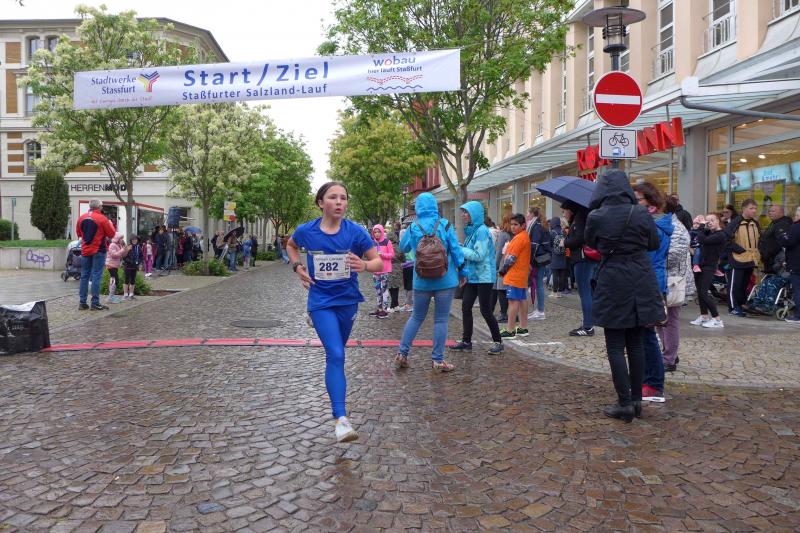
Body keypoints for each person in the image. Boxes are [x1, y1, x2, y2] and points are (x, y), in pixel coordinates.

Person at [287, 181, 382, 443]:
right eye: (333, 197)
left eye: (343, 198)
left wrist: (364, 265)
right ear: (321, 203)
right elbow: (291, 245)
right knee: (336, 354)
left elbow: (378, 261)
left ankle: (340, 416)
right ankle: (341, 419)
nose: (339, 202)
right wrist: (297, 267)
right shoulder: (306, 231)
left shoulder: (355, 232)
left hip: (347, 301)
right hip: (320, 300)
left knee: (338, 352)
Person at [586, 170, 664, 423]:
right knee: (636, 343)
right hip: (640, 277)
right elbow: (653, 243)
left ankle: (625, 403)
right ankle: (637, 401)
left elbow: (591, 244)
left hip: (613, 279)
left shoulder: (597, 215)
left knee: (615, 345)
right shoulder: (640, 213)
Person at [396, 192, 467, 373]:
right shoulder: (445, 224)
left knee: (416, 317)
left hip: (421, 280)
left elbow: (403, 247)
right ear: (435, 206)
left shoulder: (413, 226)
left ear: (418, 208)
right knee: (441, 319)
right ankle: (437, 360)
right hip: (445, 279)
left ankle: (402, 353)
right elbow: (456, 250)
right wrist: (463, 271)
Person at [451, 201, 504, 355]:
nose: (463, 215)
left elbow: (479, 255)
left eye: (466, 212)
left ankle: (498, 342)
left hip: (484, 277)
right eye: (463, 212)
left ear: (474, 214)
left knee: (485, 310)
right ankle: (466, 341)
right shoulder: (473, 230)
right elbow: (472, 251)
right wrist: (462, 247)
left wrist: (460, 249)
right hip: (474, 276)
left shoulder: (481, 231)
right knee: (466, 306)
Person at [659, 195, 692, 373]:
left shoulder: (677, 228)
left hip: (672, 280)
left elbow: (673, 256)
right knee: (660, 319)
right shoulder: (665, 225)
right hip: (664, 278)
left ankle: (669, 358)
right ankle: (669, 351)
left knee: (670, 320)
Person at [562, 200, 596, 336]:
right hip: (583, 259)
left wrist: (565, 242)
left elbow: (579, 239)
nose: (563, 214)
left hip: (582, 259)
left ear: (570, 210)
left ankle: (588, 326)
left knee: (585, 292)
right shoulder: (580, 218)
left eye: (564, 211)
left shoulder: (580, 219)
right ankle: (588, 323)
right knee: (586, 292)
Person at [76, 198, 116, 311]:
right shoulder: (102, 218)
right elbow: (111, 234)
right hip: (98, 250)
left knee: (84, 276)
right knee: (96, 276)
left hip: (85, 250)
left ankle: (82, 302)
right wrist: (110, 224)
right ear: (99, 207)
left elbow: (79, 233)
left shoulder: (81, 218)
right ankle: (95, 303)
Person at [725, 198, 761, 317]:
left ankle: (741, 304)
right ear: (744, 209)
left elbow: (759, 239)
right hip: (737, 258)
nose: (754, 211)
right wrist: (739, 250)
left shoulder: (755, 223)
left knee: (744, 284)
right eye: (751, 208)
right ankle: (732, 307)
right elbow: (726, 239)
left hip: (751, 258)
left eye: (755, 208)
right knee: (734, 284)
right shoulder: (735, 222)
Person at [691, 213, 727, 329]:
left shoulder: (721, 235)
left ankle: (717, 319)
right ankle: (704, 316)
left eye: (712, 220)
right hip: (701, 265)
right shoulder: (708, 232)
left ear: (718, 221)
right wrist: (699, 223)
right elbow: (697, 234)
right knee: (700, 293)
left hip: (709, 266)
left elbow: (703, 240)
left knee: (704, 293)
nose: (709, 223)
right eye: (707, 221)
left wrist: (701, 226)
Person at [498, 213, 531, 340]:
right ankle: (522, 327)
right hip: (520, 275)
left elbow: (511, 258)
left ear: (523, 225)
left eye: (516, 225)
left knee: (513, 302)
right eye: (511, 224)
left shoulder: (519, 238)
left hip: (514, 275)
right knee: (522, 300)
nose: (513, 227)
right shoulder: (524, 236)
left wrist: (502, 271)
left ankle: (510, 330)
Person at [526, 206, 551, 320]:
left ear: (532, 214)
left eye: (528, 212)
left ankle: (540, 311)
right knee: (538, 284)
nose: (527, 215)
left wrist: (529, 261)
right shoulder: (539, 225)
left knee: (539, 284)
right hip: (541, 258)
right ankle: (538, 309)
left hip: (538, 259)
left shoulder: (536, 226)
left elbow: (534, 245)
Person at [780, 206, 800, 325]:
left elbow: (788, 241)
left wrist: (783, 236)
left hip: (797, 263)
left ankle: (798, 316)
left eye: (796, 215)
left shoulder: (796, 227)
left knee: (798, 289)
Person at [370, 224, 394, 318]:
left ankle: (385, 310)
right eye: (375, 232)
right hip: (375, 270)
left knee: (384, 290)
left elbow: (391, 255)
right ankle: (379, 309)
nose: (377, 234)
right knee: (377, 290)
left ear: (382, 232)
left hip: (384, 270)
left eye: (378, 232)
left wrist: (382, 254)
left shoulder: (387, 242)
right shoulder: (372, 243)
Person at [759, 205, 792, 274]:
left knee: (774, 279)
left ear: (781, 212)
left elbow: (781, 242)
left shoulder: (783, 224)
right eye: (769, 211)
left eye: (773, 211)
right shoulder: (775, 222)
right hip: (770, 260)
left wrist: (768, 254)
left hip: (775, 261)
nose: (770, 213)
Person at [492, 215, 512, 321]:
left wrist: (495, 266)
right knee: (509, 290)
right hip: (512, 265)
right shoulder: (514, 234)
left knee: (501, 290)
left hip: (503, 265)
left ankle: (504, 314)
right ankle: (513, 314)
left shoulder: (503, 234)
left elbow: (499, 252)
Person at [105, 233, 129, 304]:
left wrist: (126, 250)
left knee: (113, 280)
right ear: (117, 239)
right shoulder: (112, 245)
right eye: (121, 238)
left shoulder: (119, 245)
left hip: (115, 265)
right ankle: (110, 297)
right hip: (111, 264)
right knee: (115, 280)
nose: (122, 240)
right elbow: (114, 255)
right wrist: (122, 250)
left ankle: (111, 296)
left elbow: (122, 255)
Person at [549, 217, 568, 298]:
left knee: (555, 275)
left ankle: (554, 292)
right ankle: (560, 292)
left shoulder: (552, 232)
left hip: (554, 256)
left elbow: (549, 244)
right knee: (562, 275)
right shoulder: (563, 231)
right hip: (563, 255)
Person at [387, 222, 404, 311]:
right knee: (396, 287)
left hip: (389, 268)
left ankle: (392, 306)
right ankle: (396, 305)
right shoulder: (399, 246)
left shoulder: (387, 247)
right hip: (398, 268)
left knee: (391, 287)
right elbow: (403, 259)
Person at [399, 218, 415, 312]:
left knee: (409, 285)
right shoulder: (411, 240)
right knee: (407, 285)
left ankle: (409, 304)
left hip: (410, 265)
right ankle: (408, 303)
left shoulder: (406, 243)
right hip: (407, 265)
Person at [122, 235, 142, 300]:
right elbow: (124, 256)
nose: (134, 241)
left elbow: (141, 256)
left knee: (133, 280)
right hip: (128, 266)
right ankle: (125, 295)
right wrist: (130, 261)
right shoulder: (128, 246)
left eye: (135, 239)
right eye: (133, 239)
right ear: (131, 240)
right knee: (126, 280)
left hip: (135, 266)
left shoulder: (138, 247)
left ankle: (131, 294)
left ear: (137, 240)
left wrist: (139, 262)